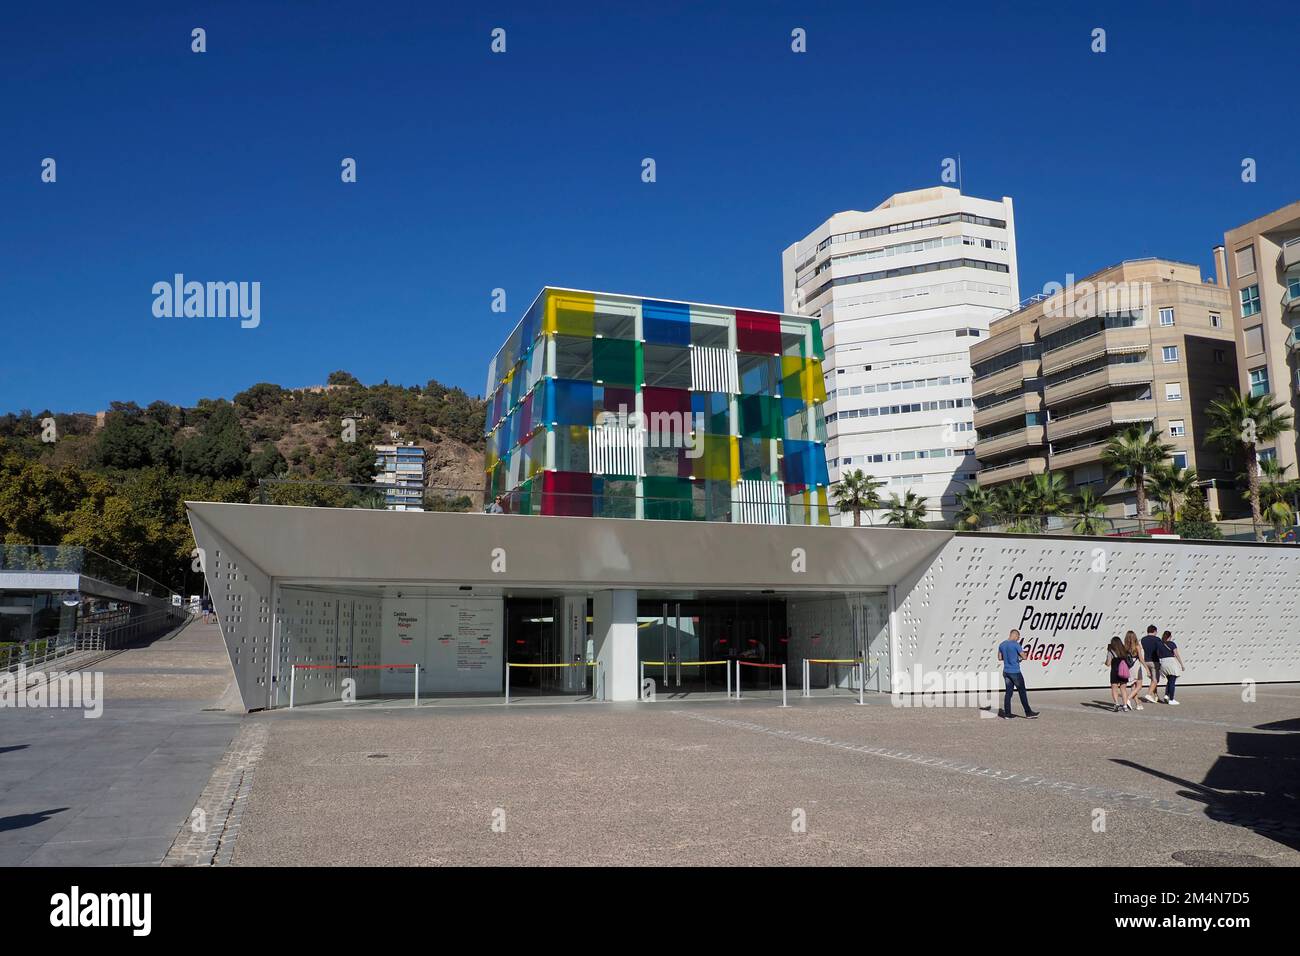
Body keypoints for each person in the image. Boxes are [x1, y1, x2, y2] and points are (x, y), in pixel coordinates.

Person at [997, 629, 1039, 719]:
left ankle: (1007, 714)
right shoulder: (1016, 645)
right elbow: (1024, 656)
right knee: (1022, 692)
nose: (1018, 639)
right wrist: (1019, 658)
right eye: (1018, 637)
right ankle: (1028, 713)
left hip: (1006, 671)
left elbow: (1000, 658)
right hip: (1015, 672)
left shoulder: (1002, 644)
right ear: (1015, 635)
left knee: (1008, 693)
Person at [1157, 630, 1184, 705]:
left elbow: (1158, 654)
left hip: (1163, 662)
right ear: (1169, 637)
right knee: (1172, 681)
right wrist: (1181, 664)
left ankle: (1166, 695)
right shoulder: (1172, 644)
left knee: (1169, 680)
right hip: (1171, 662)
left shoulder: (1159, 644)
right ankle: (1171, 699)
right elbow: (1176, 654)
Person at [1104, 637, 1130, 711]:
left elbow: (1108, 663)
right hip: (1124, 672)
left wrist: (1105, 662)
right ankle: (1125, 706)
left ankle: (1117, 704)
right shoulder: (1125, 651)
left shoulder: (1111, 651)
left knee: (1114, 688)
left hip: (1115, 672)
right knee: (1123, 689)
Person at [1139, 624, 1163, 704]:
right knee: (1155, 680)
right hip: (1154, 661)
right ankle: (1148, 694)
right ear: (1155, 631)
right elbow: (1160, 650)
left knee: (1153, 680)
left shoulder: (1143, 639)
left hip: (1146, 661)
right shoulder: (1157, 639)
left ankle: (1156, 696)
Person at [1122, 631, 1145, 710]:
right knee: (1139, 686)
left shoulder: (1125, 647)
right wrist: (1147, 668)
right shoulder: (1137, 646)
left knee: (1133, 686)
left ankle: (1138, 704)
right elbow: (1141, 659)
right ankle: (1127, 699)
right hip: (1136, 666)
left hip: (1129, 667)